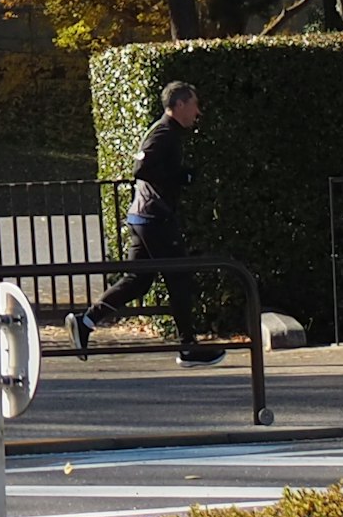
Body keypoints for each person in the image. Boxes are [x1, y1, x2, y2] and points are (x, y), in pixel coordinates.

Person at [72, 81, 227, 364]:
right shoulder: (164, 133)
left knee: (138, 280)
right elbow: (141, 168)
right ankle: (188, 346)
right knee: (179, 276)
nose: (198, 111)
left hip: (144, 216)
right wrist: (180, 177)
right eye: (194, 104)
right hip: (155, 218)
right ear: (179, 105)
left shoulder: (169, 133)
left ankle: (86, 321)